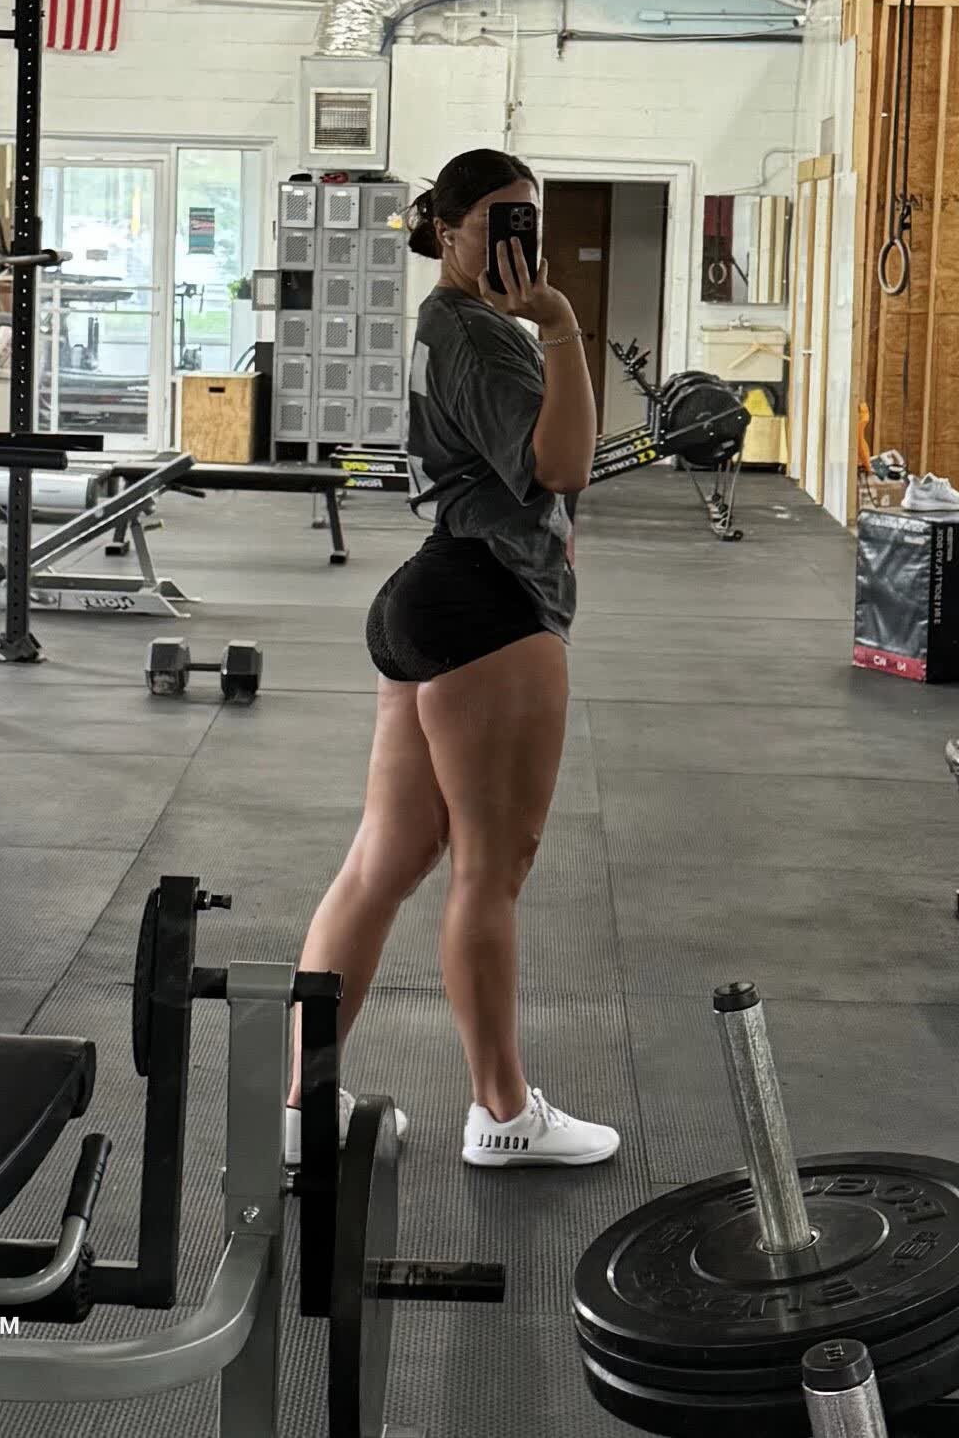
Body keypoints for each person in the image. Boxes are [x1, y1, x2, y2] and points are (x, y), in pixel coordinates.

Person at [283, 149, 620, 1169]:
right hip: (490, 608)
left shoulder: (452, 321)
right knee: (489, 872)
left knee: (383, 862)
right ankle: (504, 1112)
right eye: (501, 222)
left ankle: (302, 1110)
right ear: (448, 228)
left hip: (437, 595)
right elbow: (563, 464)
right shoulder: (482, 332)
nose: (522, 240)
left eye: (533, 221)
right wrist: (560, 324)